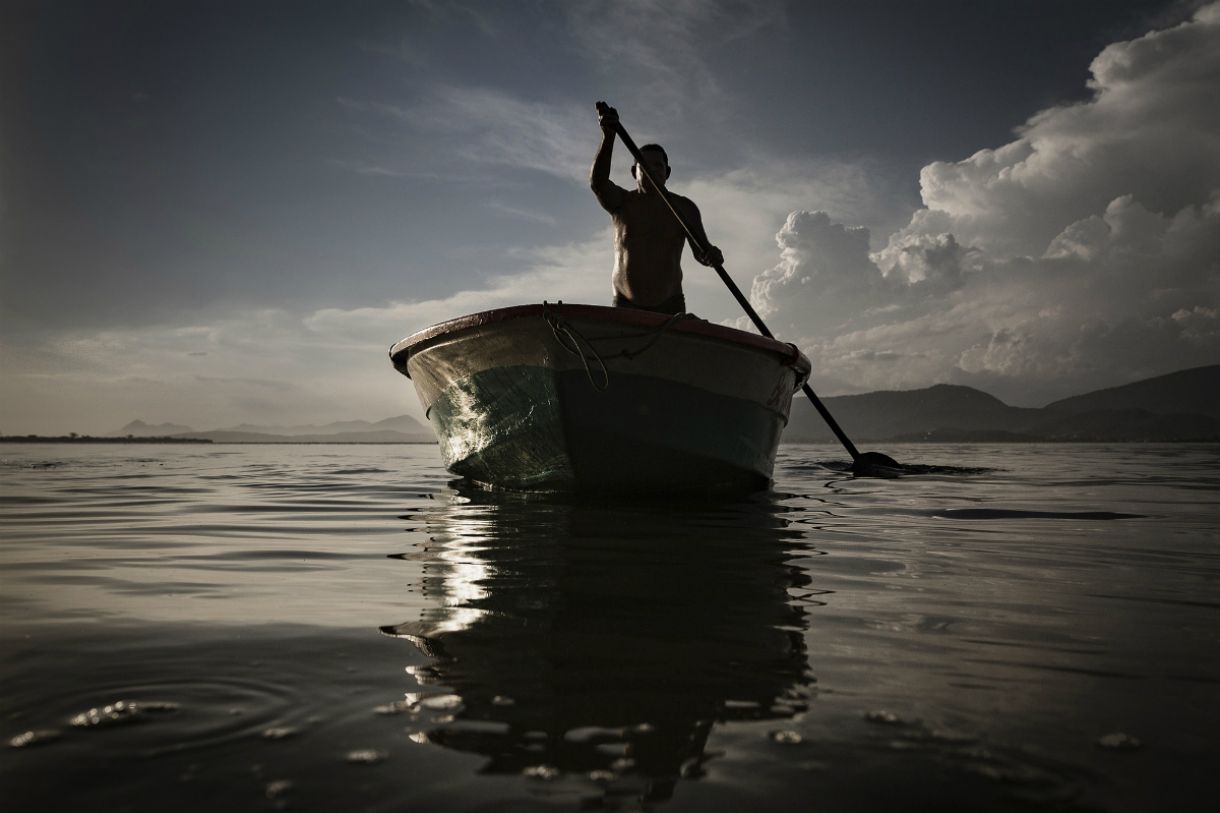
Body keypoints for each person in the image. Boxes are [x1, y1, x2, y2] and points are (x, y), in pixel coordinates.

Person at [590, 102, 724, 315]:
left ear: (667, 172)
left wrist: (711, 255)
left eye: (658, 166)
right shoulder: (621, 203)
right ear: (635, 172)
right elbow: (598, 182)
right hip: (626, 305)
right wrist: (609, 136)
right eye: (645, 166)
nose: (652, 171)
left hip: (671, 306)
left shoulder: (684, 207)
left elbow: (701, 252)